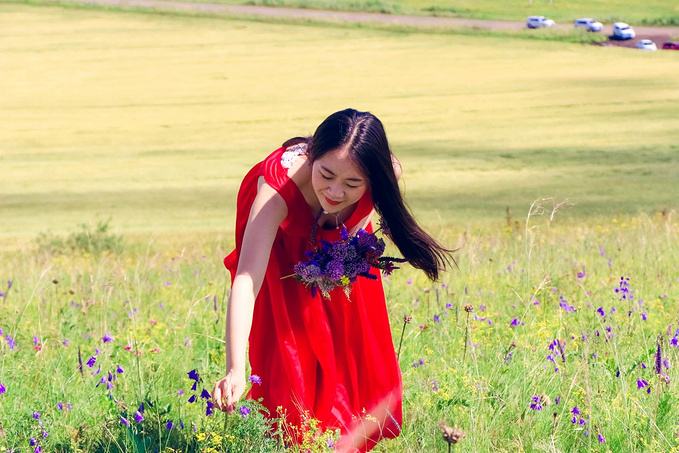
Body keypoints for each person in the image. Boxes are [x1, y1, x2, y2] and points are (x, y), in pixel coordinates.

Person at [212, 108, 452, 452]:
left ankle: (336, 443)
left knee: (350, 358)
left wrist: (342, 250)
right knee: (290, 358)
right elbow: (247, 279)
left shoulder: (387, 172)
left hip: (336, 252)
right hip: (280, 251)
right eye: (326, 175)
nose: (335, 192)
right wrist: (236, 368)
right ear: (312, 156)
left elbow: (360, 216)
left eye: (353, 184)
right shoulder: (276, 191)